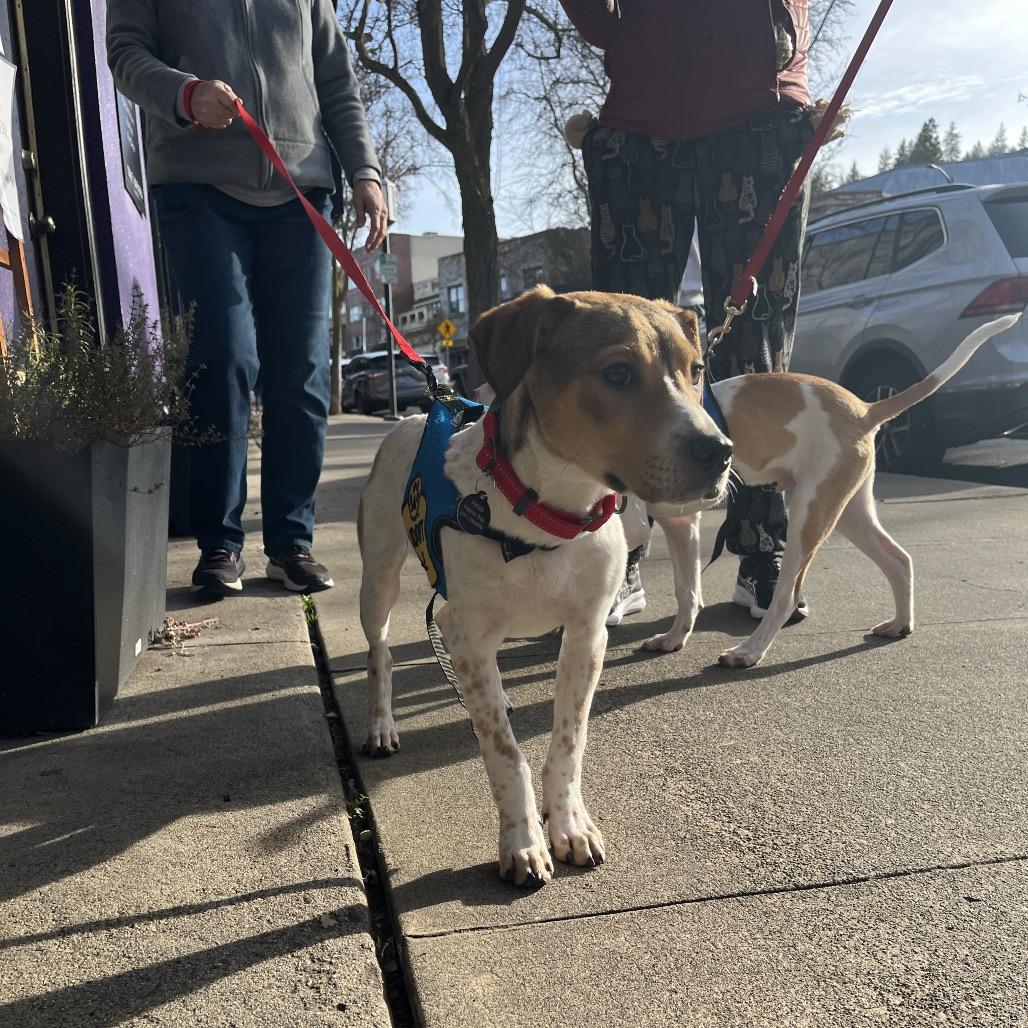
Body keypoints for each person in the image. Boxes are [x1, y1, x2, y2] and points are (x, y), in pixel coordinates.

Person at [108, 0, 386, 596]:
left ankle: (291, 542)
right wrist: (184, 95)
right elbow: (124, 53)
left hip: (300, 189)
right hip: (197, 187)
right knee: (226, 356)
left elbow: (336, 78)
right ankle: (219, 543)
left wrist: (364, 168)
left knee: (302, 369)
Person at [560, 0, 814, 623]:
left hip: (764, 106)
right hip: (641, 116)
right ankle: (614, 549)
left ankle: (763, 554)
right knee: (619, 355)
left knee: (760, 355)